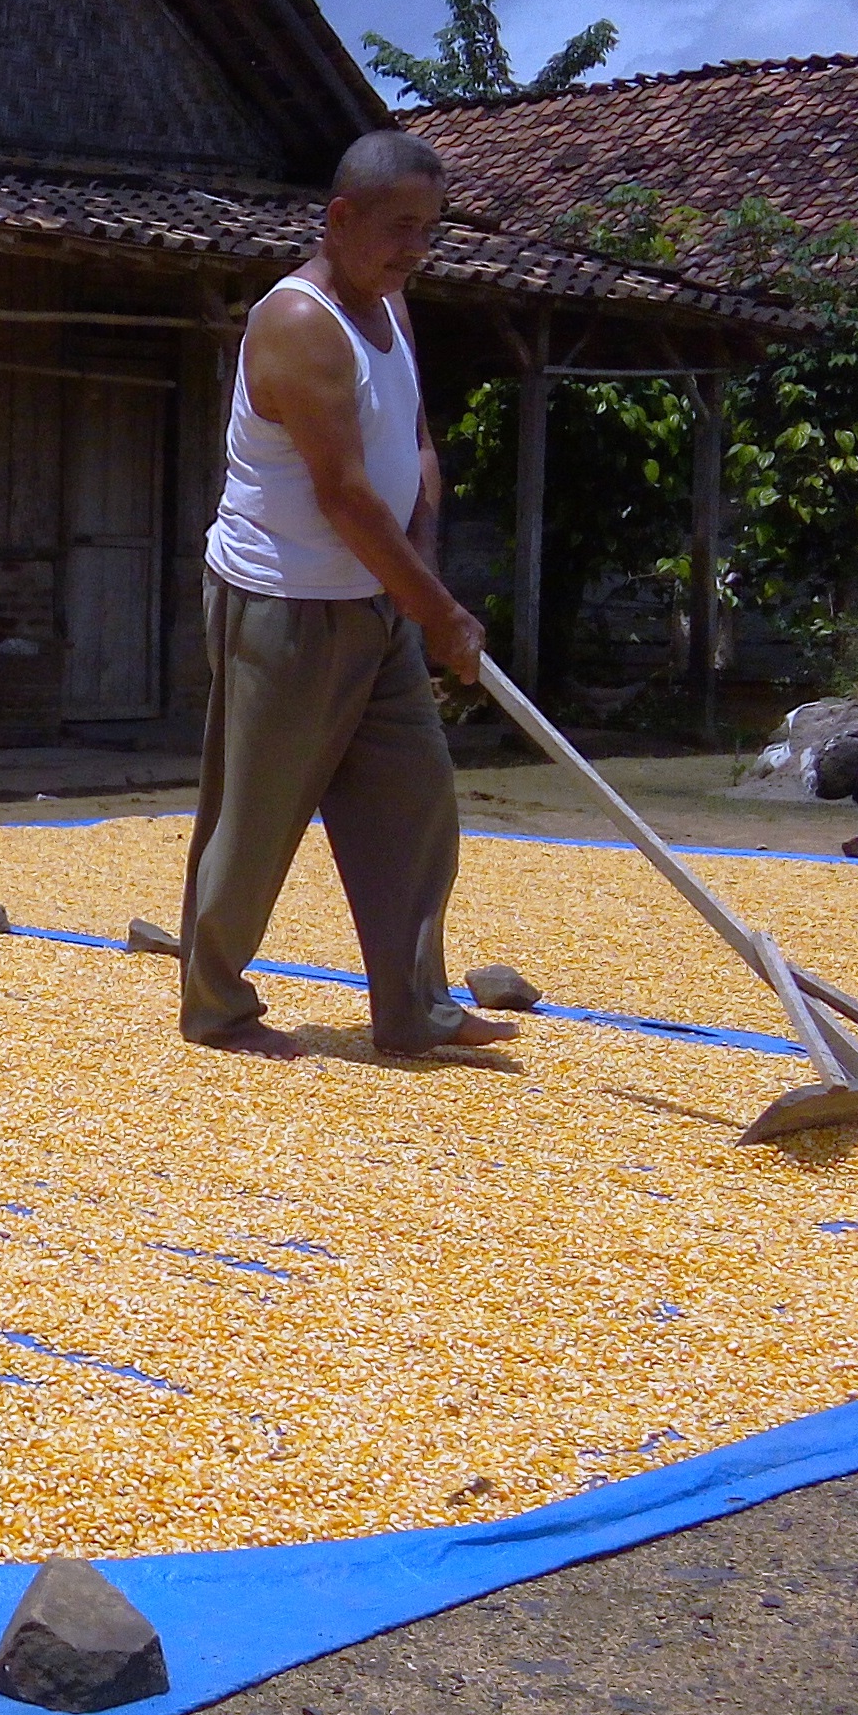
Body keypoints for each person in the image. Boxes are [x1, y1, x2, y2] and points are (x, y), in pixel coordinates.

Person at [179, 129, 518, 1060]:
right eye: (401, 227)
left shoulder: (393, 306)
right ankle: (217, 1007)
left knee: (415, 804)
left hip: (375, 601)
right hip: (284, 604)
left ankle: (415, 1010)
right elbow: (341, 494)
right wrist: (434, 610)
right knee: (259, 815)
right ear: (342, 217)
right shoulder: (296, 323)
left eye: (430, 230)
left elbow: (412, 449)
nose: (417, 248)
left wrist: (421, 576)